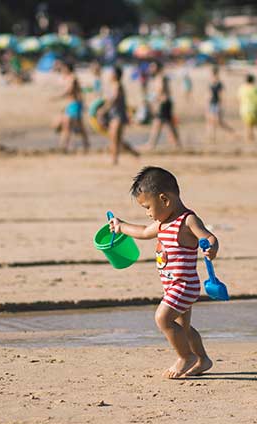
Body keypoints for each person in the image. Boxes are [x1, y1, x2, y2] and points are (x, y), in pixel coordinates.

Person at [108, 166, 217, 379]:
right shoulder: (162, 223)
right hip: (172, 286)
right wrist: (121, 226)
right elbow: (142, 231)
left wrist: (212, 247)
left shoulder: (187, 221)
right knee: (184, 328)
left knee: (162, 318)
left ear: (164, 200)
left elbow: (209, 237)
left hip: (184, 285)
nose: (148, 213)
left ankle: (185, 357)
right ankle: (202, 359)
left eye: (148, 207)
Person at [97, 66, 139, 165]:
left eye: (112, 73)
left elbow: (113, 100)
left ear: (115, 75)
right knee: (116, 139)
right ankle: (134, 152)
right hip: (113, 114)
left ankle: (114, 160)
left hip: (118, 115)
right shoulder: (112, 85)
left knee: (115, 138)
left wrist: (103, 110)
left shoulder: (118, 86)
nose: (110, 75)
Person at [52, 61, 89, 153]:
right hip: (72, 104)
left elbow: (70, 91)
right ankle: (85, 144)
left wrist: (57, 97)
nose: (62, 70)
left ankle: (64, 146)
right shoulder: (69, 77)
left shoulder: (72, 78)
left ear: (67, 68)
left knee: (67, 126)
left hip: (75, 104)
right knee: (78, 126)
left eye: (63, 68)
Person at [144, 62, 181, 149]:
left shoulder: (160, 77)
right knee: (169, 125)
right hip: (166, 103)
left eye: (152, 67)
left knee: (157, 124)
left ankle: (151, 144)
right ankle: (177, 143)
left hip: (164, 103)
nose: (150, 69)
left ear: (157, 68)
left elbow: (160, 90)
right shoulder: (160, 77)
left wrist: (151, 98)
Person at [206, 66, 234, 142]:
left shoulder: (219, 83)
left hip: (217, 103)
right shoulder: (210, 82)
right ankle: (212, 137)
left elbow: (221, 95)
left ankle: (231, 131)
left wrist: (222, 105)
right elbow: (209, 95)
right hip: (212, 103)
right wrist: (207, 105)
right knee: (211, 121)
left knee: (218, 122)